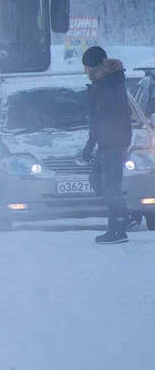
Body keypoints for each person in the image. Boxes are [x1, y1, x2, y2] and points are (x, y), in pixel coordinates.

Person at [81, 46, 132, 244]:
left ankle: (117, 230)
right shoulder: (106, 83)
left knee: (111, 187)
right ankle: (123, 215)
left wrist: (90, 144)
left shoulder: (107, 85)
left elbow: (101, 119)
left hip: (112, 141)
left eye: (86, 66)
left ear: (94, 66)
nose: (85, 71)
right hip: (108, 141)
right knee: (97, 180)